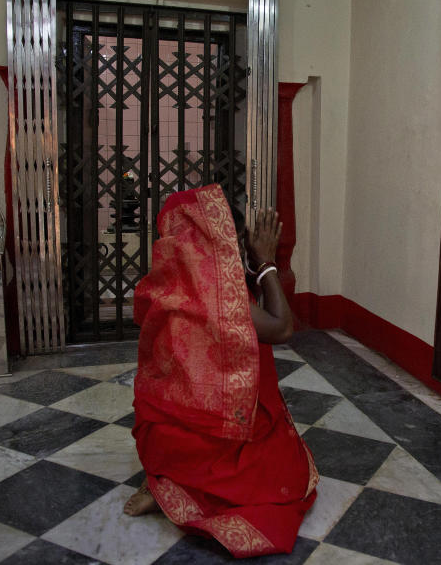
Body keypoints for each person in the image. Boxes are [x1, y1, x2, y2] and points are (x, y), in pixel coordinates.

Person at [122, 184, 318, 558]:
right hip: (221, 436)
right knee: (285, 469)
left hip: (164, 438)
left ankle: (163, 483)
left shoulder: (159, 291)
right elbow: (282, 328)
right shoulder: (223, 304)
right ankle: (193, 485)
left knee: (168, 425)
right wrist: (265, 261)